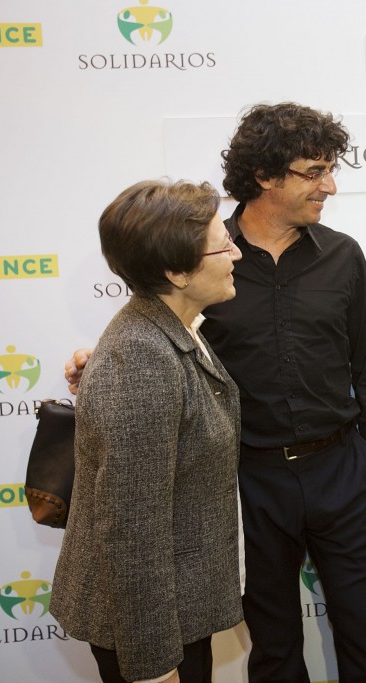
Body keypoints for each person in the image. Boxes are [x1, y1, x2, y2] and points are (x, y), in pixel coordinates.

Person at [66, 103, 366, 683]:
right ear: (266, 176)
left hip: (342, 470)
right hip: (248, 482)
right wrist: (99, 364)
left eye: (330, 169)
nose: (330, 185)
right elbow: (166, 339)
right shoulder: (201, 257)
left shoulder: (343, 254)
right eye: (314, 172)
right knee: (273, 644)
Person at [51, 179, 244, 683]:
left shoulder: (171, 332)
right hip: (149, 627)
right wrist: (154, 670)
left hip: (175, 607)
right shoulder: (141, 356)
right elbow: (132, 532)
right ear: (176, 272)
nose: (236, 254)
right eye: (224, 244)